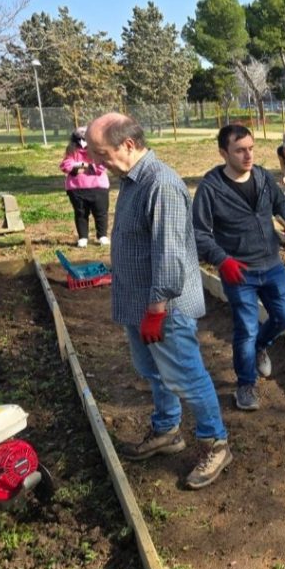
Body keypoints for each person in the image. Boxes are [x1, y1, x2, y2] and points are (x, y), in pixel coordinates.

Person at [84, 113, 231, 490]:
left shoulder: (161, 183)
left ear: (128, 145)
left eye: (101, 153)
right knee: (154, 372)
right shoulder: (132, 179)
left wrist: (156, 309)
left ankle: (216, 443)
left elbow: (170, 254)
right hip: (140, 303)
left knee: (188, 377)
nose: (96, 161)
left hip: (163, 309)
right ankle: (167, 429)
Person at [192, 124, 285, 412]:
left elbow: (281, 203)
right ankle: (245, 384)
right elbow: (199, 233)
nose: (247, 155)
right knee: (246, 328)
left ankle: (259, 348)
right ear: (223, 152)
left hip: (272, 264)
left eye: (251, 148)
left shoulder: (263, 178)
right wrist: (221, 260)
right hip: (238, 271)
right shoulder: (211, 188)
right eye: (240, 150)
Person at [59, 126, 110, 247]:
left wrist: (86, 166)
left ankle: (102, 235)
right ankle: (83, 237)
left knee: (101, 213)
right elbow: (66, 166)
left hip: (98, 187)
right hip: (76, 189)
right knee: (80, 213)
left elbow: (102, 166)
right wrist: (83, 165)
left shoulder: (99, 150)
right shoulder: (71, 150)